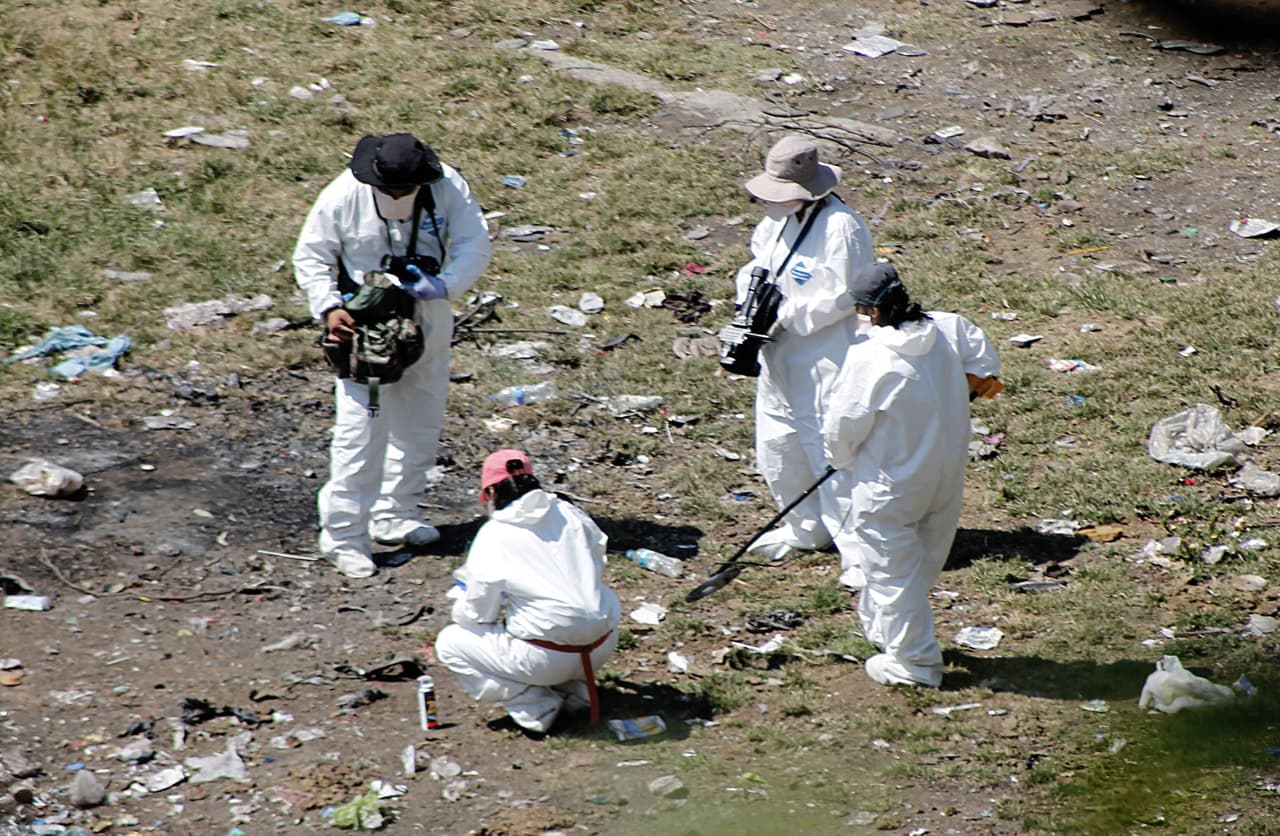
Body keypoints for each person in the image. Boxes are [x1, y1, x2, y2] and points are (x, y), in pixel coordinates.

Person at [293, 133, 491, 578]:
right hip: (367, 328)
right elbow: (312, 255)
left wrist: (445, 285)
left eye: (407, 190)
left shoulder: (447, 187)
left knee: (420, 422)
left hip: (427, 317)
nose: (399, 196)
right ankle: (344, 537)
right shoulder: (343, 194)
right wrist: (329, 307)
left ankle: (396, 513)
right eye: (390, 190)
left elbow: (474, 244)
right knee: (360, 435)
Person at [821, 262, 971, 688]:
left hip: (890, 484)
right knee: (919, 565)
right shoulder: (942, 335)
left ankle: (915, 663)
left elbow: (843, 424)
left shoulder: (871, 357)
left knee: (891, 575)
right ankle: (888, 630)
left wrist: (839, 459)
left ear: (872, 311)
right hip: (944, 473)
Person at [734, 134, 877, 564]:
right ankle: (806, 528)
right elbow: (756, 266)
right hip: (777, 357)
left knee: (828, 454)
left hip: (823, 359)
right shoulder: (774, 223)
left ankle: (858, 551)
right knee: (777, 447)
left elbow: (847, 293)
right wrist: (750, 308)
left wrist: (791, 315)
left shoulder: (842, 228)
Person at [435, 450, 621, 734]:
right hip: (602, 645)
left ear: (492, 492)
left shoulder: (495, 533)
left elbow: (477, 614)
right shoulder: (570, 512)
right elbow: (597, 560)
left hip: (545, 659)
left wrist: (465, 604)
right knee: (555, 619)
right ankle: (575, 691)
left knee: (450, 642)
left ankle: (536, 705)